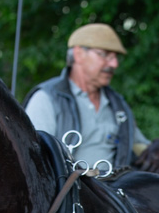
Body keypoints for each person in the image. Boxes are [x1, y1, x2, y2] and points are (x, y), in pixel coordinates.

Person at [24, 23, 149, 170]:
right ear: (79, 54)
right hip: (66, 184)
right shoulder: (46, 99)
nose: (114, 64)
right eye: (105, 55)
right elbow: (33, 158)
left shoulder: (117, 104)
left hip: (115, 183)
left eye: (115, 57)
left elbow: (139, 146)